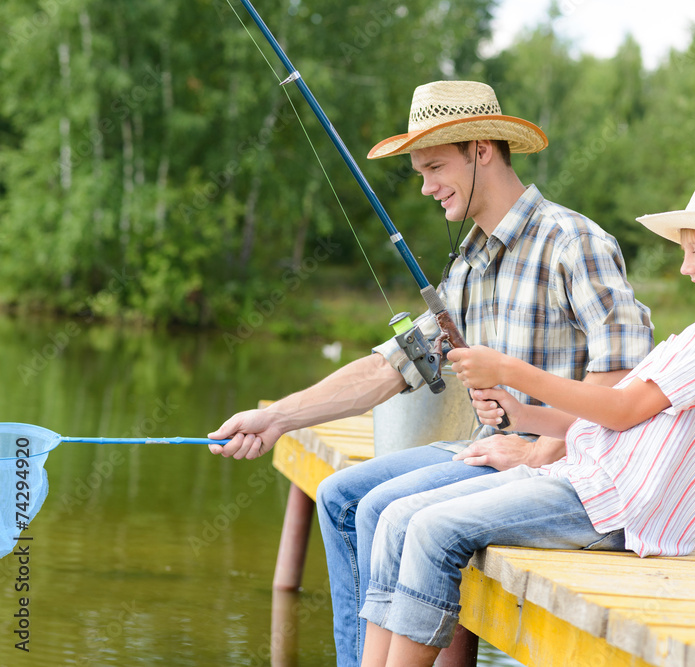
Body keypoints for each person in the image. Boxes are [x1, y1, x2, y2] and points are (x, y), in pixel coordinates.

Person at [207, 80, 654, 667]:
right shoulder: (468, 263)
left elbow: (625, 371)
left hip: (563, 467)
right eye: (419, 172)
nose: (426, 187)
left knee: (379, 511)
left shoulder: (572, 241)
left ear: (482, 150)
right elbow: (391, 367)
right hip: (486, 450)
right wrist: (276, 418)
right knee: (341, 495)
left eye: (436, 166)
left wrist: (541, 449)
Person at [356, 172, 695, 667]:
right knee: (396, 517)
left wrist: (511, 370)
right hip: (587, 482)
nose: (685, 267)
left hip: (616, 507)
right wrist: (525, 415)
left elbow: (621, 410)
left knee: (431, 530)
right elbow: (620, 418)